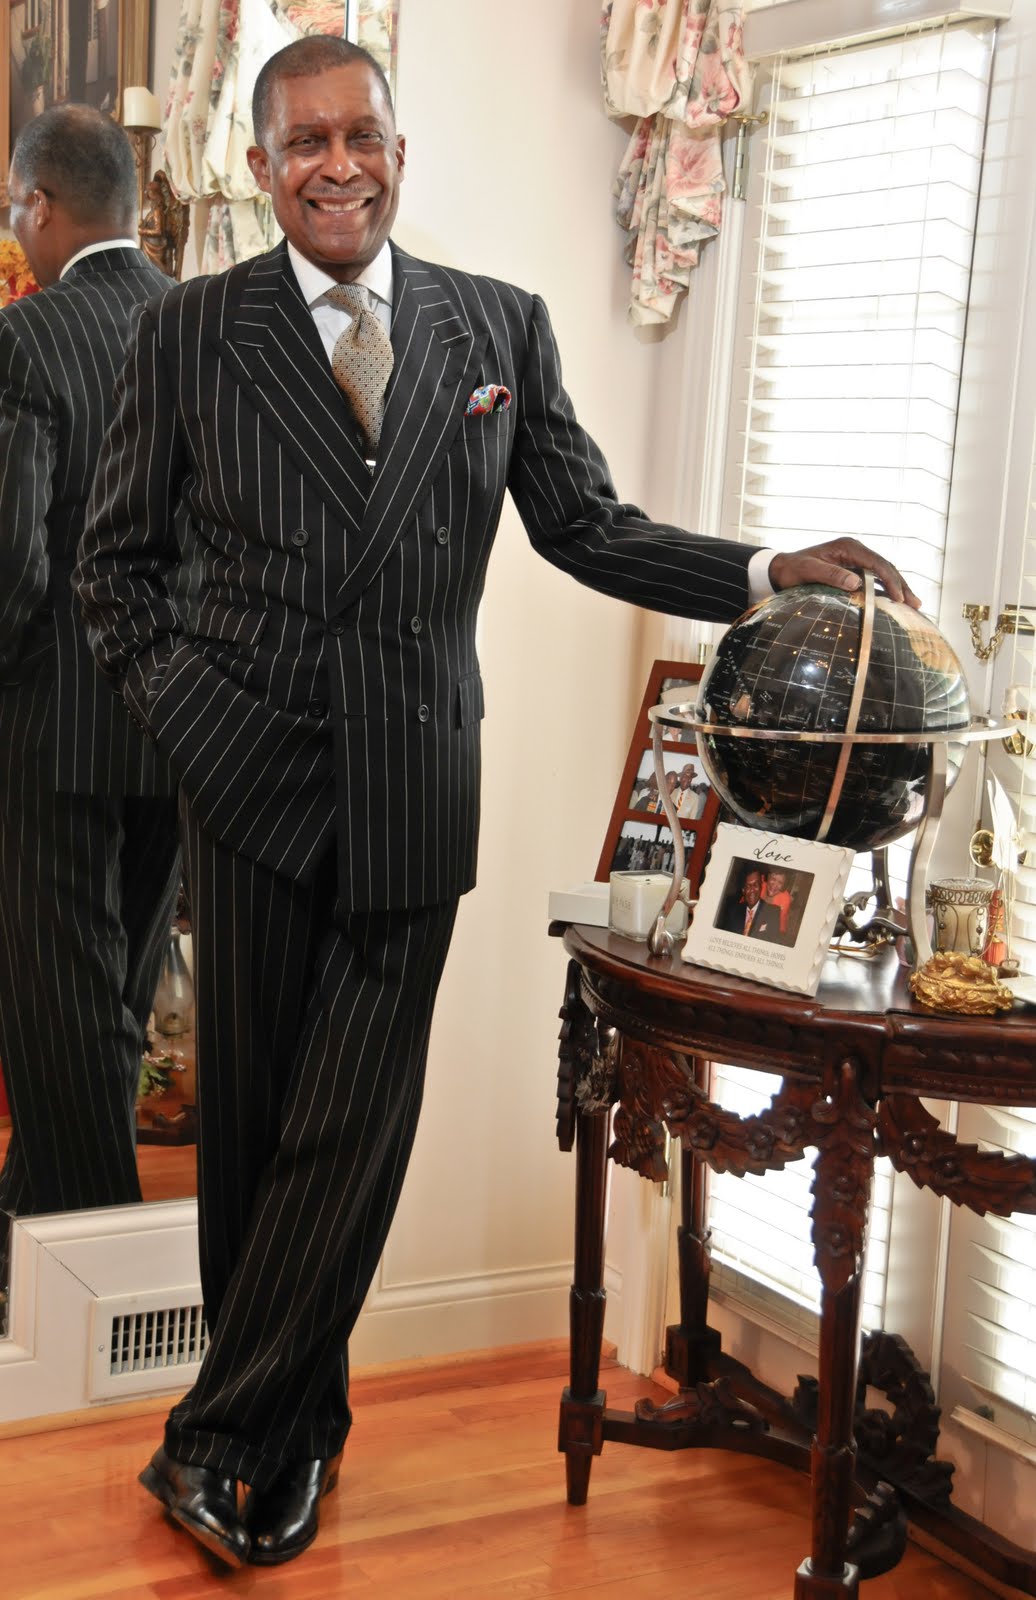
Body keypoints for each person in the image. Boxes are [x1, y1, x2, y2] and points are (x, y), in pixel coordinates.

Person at [74, 36, 918, 1569]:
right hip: (245, 795)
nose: (339, 165)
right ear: (260, 168)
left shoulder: (495, 325)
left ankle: (217, 1438)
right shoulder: (189, 331)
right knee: (255, 1142)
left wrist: (761, 571)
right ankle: (298, 1433)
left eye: (363, 135)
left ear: (401, 150)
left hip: (409, 785)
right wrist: (203, 741)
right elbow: (114, 578)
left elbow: (586, 526)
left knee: (352, 1133)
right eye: (306, 142)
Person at [0, 109, 180, 1260]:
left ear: (39, 204)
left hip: (51, 731)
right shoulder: (213, 326)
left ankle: (103, 1285)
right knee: (107, 1012)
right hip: (183, 730)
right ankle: (24, 1256)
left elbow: (11, 563)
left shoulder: (25, 339)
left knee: (56, 1021)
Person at [717, 867, 784, 942]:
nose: (752, 890)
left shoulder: (773, 912)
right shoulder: (733, 911)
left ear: (761, 886)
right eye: (748, 886)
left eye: (755, 885)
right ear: (743, 890)